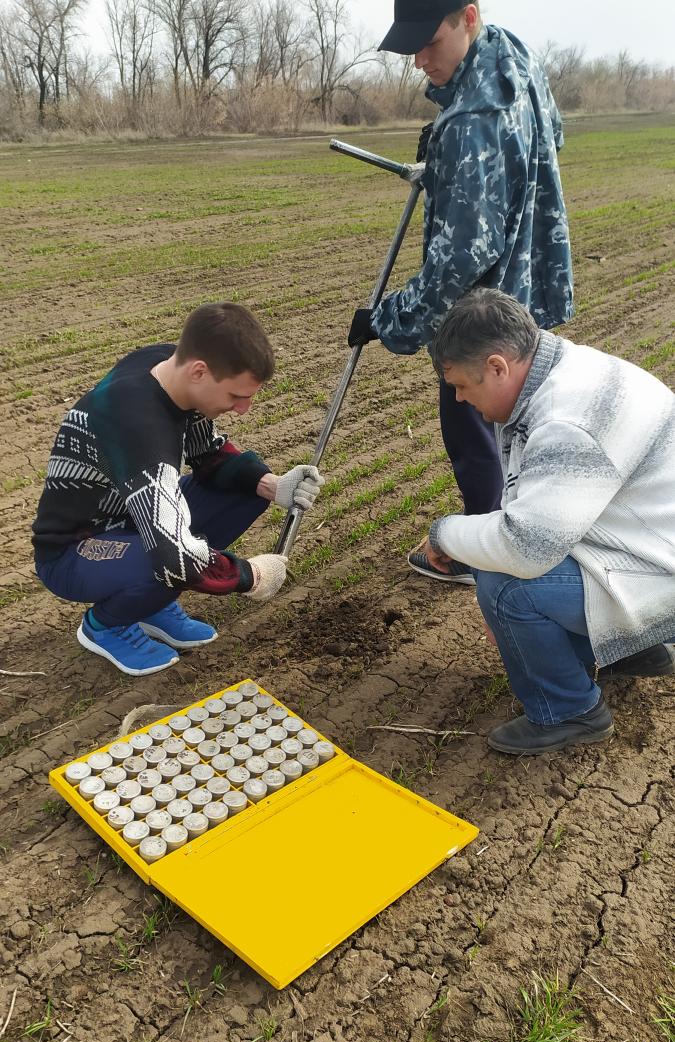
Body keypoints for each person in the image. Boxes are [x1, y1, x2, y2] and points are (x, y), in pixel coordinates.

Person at [348, 0, 573, 584]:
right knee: (517, 433)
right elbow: (554, 135)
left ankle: (486, 556)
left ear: (467, 17)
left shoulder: (472, 122)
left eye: (431, 42)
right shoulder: (512, 57)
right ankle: (516, 538)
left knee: (474, 430)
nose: (421, 59)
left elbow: (461, 260)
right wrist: (447, 159)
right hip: (528, 290)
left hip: (483, 319)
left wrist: (387, 319)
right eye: (412, 47)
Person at [419, 289, 675, 755]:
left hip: (660, 575)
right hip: (650, 546)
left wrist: (445, 534)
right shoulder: (564, 368)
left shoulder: (565, 422)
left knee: (506, 580)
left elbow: (526, 546)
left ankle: (570, 710)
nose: (457, 398)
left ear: (498, 366)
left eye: (461, 385)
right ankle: (633, 647)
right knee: (528, 550)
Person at [32, 302, 323, 676]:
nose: (243, 408)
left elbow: (208, 455)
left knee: (243, 488)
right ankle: (106, 626)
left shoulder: (167, 367)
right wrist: (251, 576)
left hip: (133, 517)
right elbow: (175, 557)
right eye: (236, 396)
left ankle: (151, 603)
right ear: (200, 371)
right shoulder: (138, 425)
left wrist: (272, 485)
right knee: (164, 560)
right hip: (75, 551)